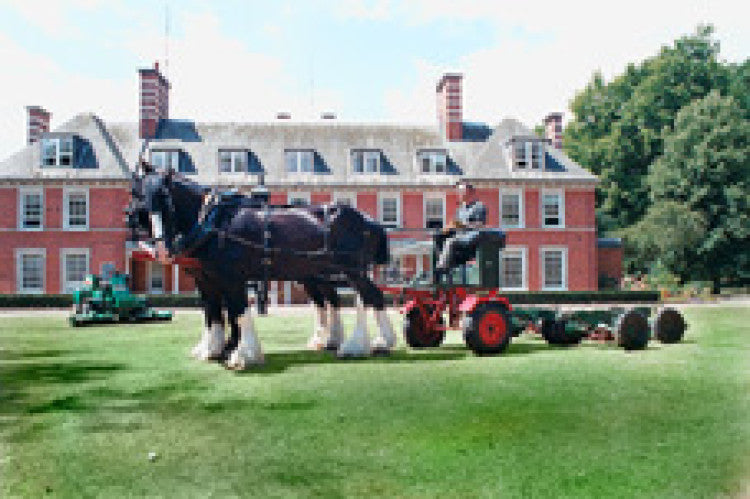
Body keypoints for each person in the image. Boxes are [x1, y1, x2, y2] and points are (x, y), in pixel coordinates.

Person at [434, 181, 487, 281]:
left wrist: (463, 225)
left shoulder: (479, 206)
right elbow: (456, 224)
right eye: (459, 191)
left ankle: (442, 268)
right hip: (459, 236)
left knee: (451, 242)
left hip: (472, 238)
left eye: (462, 191)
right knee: (438, 236)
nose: (460, 194)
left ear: (470, 192)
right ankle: (444, 266)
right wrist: (448, 228)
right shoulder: (460, 209)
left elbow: (480, 225)